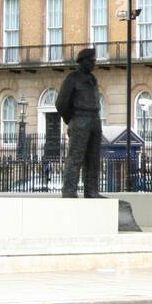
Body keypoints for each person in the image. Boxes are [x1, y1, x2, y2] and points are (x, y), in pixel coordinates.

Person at [56, 48, 103, 198]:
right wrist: (71, 119)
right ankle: (69, 191)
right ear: (82, 61)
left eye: (94, 61)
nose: (93, 64)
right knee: (76, 157)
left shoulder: (93, 79)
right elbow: (61, 103)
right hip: (80, 118)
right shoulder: (72, 78)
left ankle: (91, 191)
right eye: (91, 61)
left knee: (93, 158)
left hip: (95, 119)